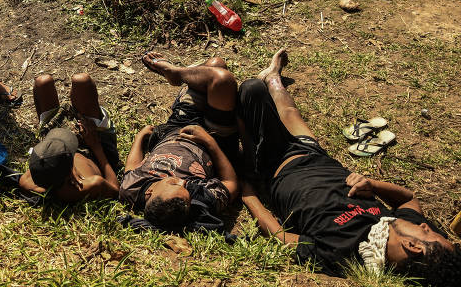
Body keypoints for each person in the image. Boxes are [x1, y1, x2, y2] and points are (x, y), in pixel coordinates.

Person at [238, 49, 461, 283]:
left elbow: (281, 236)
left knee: (252, 90)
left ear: (413, 246)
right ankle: (273, 75)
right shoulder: (402, 226)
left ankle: (244, 120)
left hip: (275, 164)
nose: (426, 225)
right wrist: (373, 185)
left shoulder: (342, 254)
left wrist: (249, 195)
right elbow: (408, 200)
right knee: (289, 111)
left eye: (427, 232)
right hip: (315, 155)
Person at [119, 52, 240, 230]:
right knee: (220, 73)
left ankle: (178, 73)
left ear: (150, 192)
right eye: (186, 190)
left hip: (178, 126)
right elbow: (232, 184)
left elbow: (131, 168)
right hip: (216, 139)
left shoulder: (132, 190)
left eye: (173, 182)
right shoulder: (201, 200)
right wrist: (209, 142)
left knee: (215, 67)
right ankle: (176, 73)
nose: (183, 182)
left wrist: (139, 138)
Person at [18, 73, 121, 201]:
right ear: (69, 175)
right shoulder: (89, 184)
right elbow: (115, 190)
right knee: (82, 81)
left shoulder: (26, 182)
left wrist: (56, 161)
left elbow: (43, 167)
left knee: (42, 82)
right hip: (92, 146)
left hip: (52, 143)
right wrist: (96, 146)